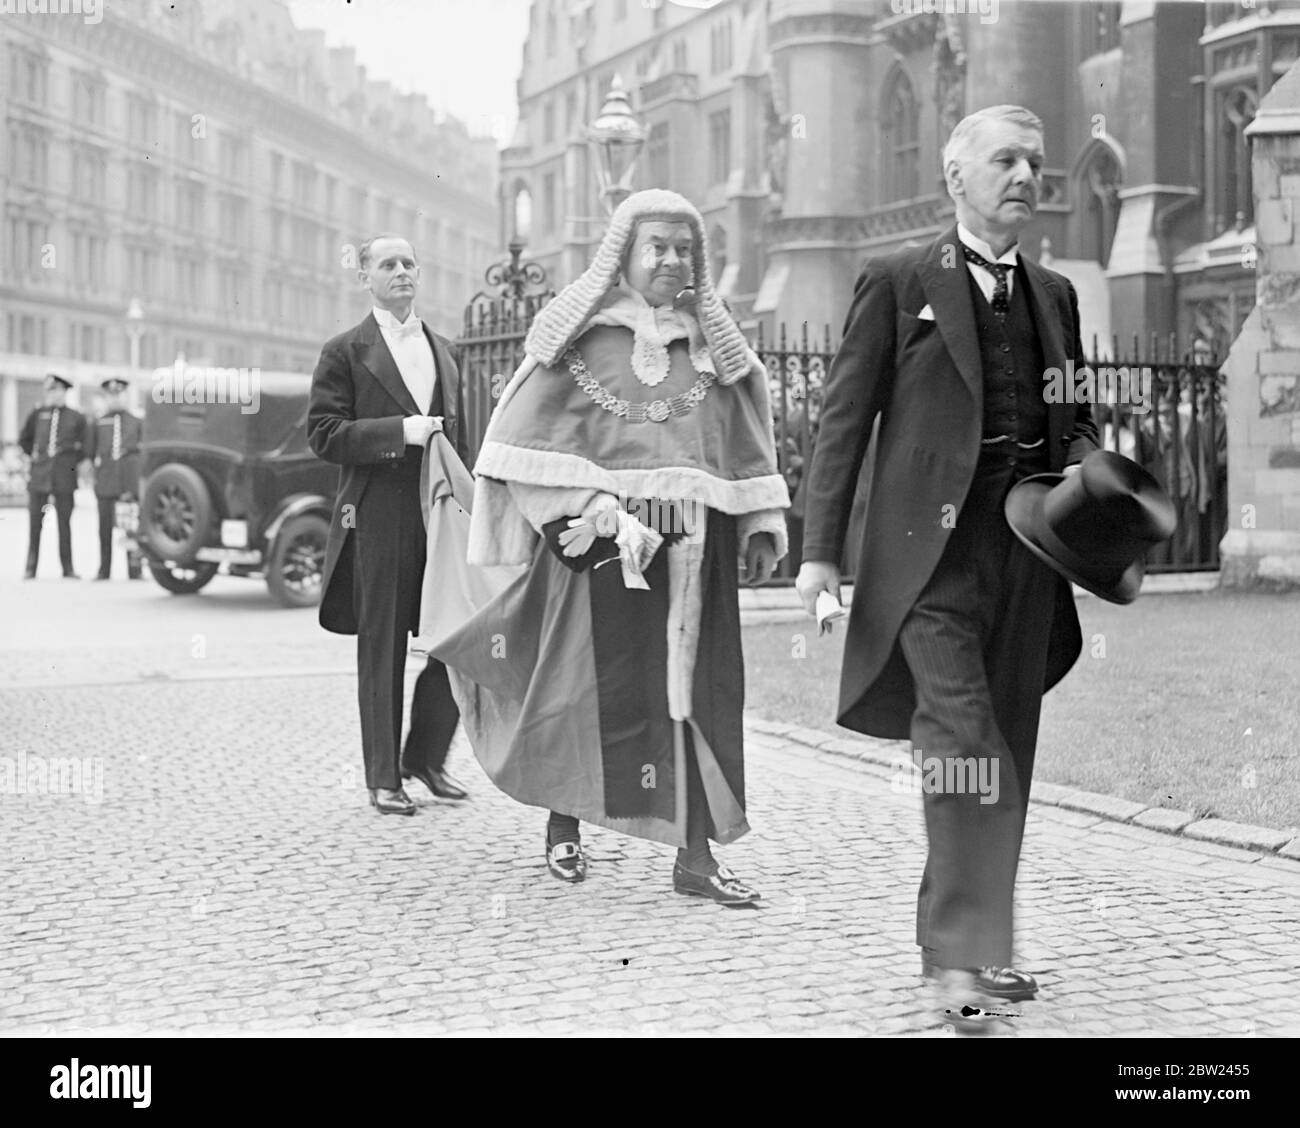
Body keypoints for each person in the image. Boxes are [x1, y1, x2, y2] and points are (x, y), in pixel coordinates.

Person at [796, 106, 1100, 1010]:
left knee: (1004, 746)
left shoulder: (1057, 296)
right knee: (965, 747)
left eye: (1036, 163)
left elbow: (1072, 413)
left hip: (1027, 559)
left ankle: (963, 943)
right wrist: (820, 557)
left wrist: (1088, 469)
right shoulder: (898, 279)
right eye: (1005, 159)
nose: (1025, 175)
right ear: (955, 176)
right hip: (927, 564)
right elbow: (844, 420)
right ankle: (963, 957)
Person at [431, 189, 789, 904]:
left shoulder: (713, 351)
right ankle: (565, 823)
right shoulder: (582, 341)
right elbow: (522, 448)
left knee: (698, 698)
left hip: (696, 552)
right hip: (599, 552)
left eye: (684, 248)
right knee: (580, 693)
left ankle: (696, 857)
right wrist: (594, 508)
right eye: (657, 245)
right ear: (623, 255)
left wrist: (756, 523)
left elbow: (743, 447)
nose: (672, 259)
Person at [308, 233, 470, 816]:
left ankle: (424, 758)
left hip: (440, 515)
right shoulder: (344, 351)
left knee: (455, 636)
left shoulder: (447, 349)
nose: (401, 271)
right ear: (364, 277)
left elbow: (463, 438)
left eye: (408, 263)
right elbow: (323, 435)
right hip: (376, 515)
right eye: (387, 264)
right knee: (382, 649)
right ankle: (383, 778)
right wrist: (395, 434)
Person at [19, 373, 87, 580]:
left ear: (65, 392)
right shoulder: (38, 414)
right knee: (35, 523)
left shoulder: (76, 417)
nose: (54, 394)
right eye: (51, 390)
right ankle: (31, 567)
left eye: (57, 390)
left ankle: (67, 567)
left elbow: (84, 448)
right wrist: (37, 458)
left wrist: (70, 463)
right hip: (40, 477)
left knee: (64, 524)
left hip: (64, 478)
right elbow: (25, 440)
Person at [87, 377, 144, 581]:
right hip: (106, 482)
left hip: (128, 483)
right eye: (111, 395)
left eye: (119, 395)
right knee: (104, 529)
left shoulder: (136, 422)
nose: (115, 399)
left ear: (125, 396)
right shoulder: (98, 422)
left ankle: (135, 570)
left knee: (131, 528)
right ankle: (104, 569)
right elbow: (90, 453)